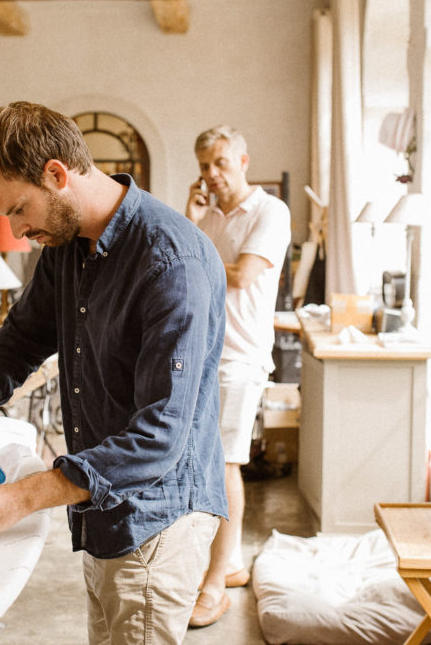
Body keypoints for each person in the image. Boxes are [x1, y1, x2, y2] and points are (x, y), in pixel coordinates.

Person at [0, 101, 229, 644]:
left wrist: (16, 500)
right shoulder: (68, 246)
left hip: (156, 519)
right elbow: (23, 335)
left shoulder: (171, 260)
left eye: (19, 210)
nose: (18, 231)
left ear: (56, 174)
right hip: (103, 509)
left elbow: (159, 437)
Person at [184, 125, 291, 628]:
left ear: (244, 161)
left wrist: (189, 244)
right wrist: (192, 223)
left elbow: (243, 275)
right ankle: (226, 565)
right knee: (202, 462)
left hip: (240, 357)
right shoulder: (208, 218)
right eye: (205, 165)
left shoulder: (270, 212)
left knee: (225, 465)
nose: (212, 173)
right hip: (203, 352)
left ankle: (214, 584)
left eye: (221, 162)